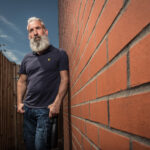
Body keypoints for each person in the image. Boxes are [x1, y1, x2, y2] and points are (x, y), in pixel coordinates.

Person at [17, 17, 69, 150]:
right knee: (29, 146)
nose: (35, 33)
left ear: (45, 31)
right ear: (29, 36)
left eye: (38, 28)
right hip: (28, 110)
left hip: (45, 112)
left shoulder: (60, 54)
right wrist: (19, 102)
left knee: (41, 147)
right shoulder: (26, 58)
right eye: (31, 30)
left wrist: (57, 103)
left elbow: (64, 79)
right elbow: (22, 82)